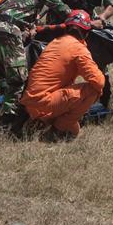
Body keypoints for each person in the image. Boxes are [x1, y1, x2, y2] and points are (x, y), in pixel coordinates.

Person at [0, 0, 70, 132]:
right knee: (18, 79)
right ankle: (7, 125)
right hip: (8, 31)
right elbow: (63, 9)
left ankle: (19, 114)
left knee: (10, 74)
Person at [21, 10, 105, 139]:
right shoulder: (78, 48)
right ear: (86, 33)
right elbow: (99, 82)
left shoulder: (55, 42)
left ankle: (43, 123)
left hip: (32, 101)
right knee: (94, 90)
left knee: (75, 131)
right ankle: (56, 129)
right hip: (44, 102)